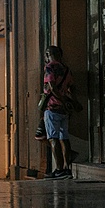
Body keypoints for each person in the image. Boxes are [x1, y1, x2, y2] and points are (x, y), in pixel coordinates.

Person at [42, 45, 75, 179]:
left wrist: (58, 98)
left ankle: (59, 169)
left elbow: (51, 86)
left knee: (53, 139)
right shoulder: (66, 69)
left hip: (52, 108)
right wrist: (69, 101)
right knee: (65, 138)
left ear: (48, 54)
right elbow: (72, 87)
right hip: (64, 110)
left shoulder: (50, 67)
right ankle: (67, 168)